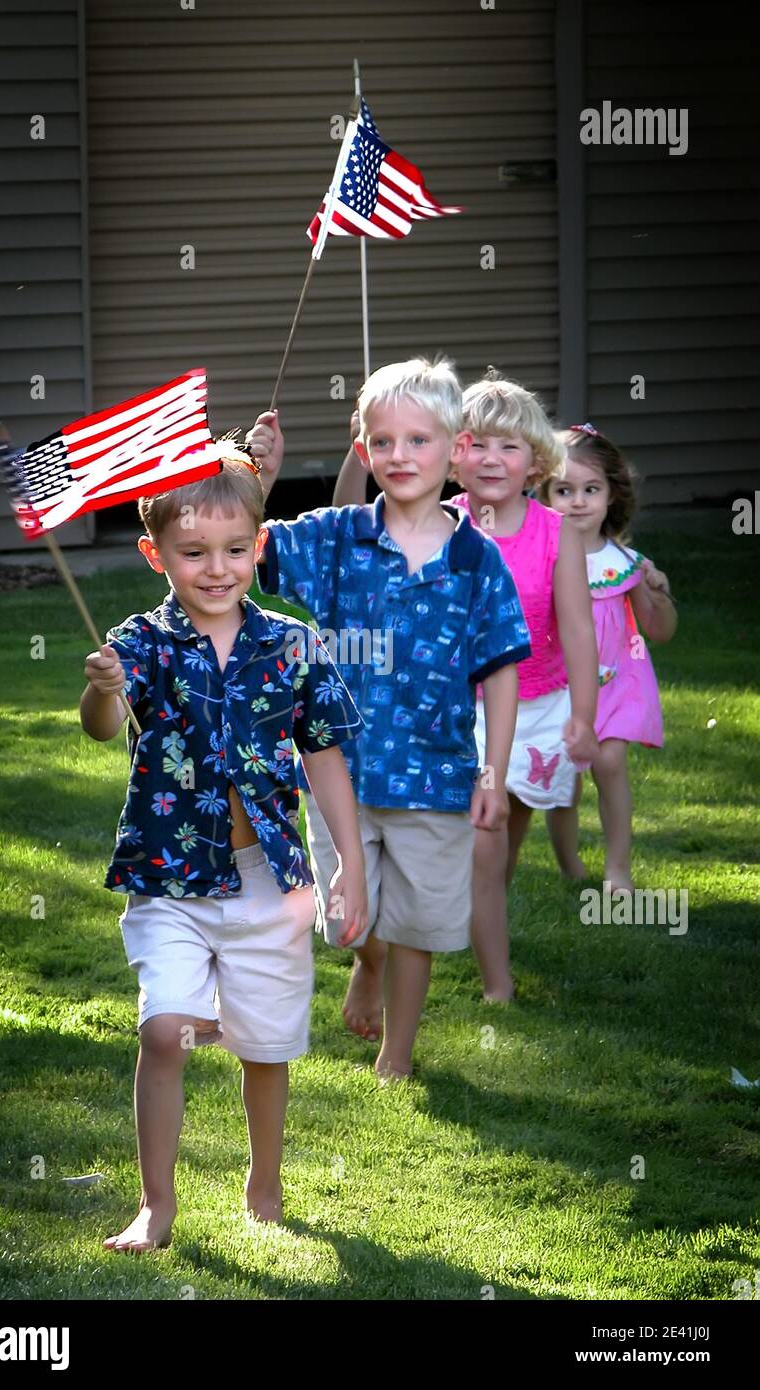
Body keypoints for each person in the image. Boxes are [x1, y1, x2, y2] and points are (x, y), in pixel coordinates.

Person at [80, 447, 367, 1250]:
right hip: (170, 877)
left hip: (268, 882)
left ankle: (265, 1180)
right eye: (193, 553)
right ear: (155, 553)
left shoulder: (292, 645)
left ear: (259, 543)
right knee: (164, 1029)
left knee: (265, 1045)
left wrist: (351, 864)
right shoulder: (140, 645)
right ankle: (156, 1205)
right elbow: (104, 725)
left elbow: (325, 757)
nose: (216, 569)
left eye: (235, 550)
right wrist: (101, 691)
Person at [247, 358, 530, 1078]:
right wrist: (259, 479)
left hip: (436, 777)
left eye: (419, 440)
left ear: (457, 449)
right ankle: (364, 965)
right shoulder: (337, 539)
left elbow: (499, 671)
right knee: (349, 924)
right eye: (384, 441)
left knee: (420, 924)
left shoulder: (478, 562)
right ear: (363, 448)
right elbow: (240, 550)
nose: (400, 456)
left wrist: (493, 772)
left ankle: (395, 1056)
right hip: (336, 771)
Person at [448, 371, 599, 1000]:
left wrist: (584, 716)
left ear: (536, 462)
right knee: (483, 843)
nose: (491, 458)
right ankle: (498, 986)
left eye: (509, 447)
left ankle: (484, 919)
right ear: (455, 454)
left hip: (538, 705)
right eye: (477, 442)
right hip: (464, 707)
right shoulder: (440, 523)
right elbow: (355, 515)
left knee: (505, 839)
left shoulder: (554, 531)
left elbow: (579, 628)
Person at [539, 423, 677, 891]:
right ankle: (570, 865)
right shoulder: (543, 557)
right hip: (560, 687)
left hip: (617, 682)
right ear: (543, 494)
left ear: (611, 495)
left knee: (611, 763)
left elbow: (659, 631)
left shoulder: (625, 563)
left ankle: (618, 870)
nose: (578, 501)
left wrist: (659, 595)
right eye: (564, 490)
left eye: (590, 489)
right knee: (565, 783)